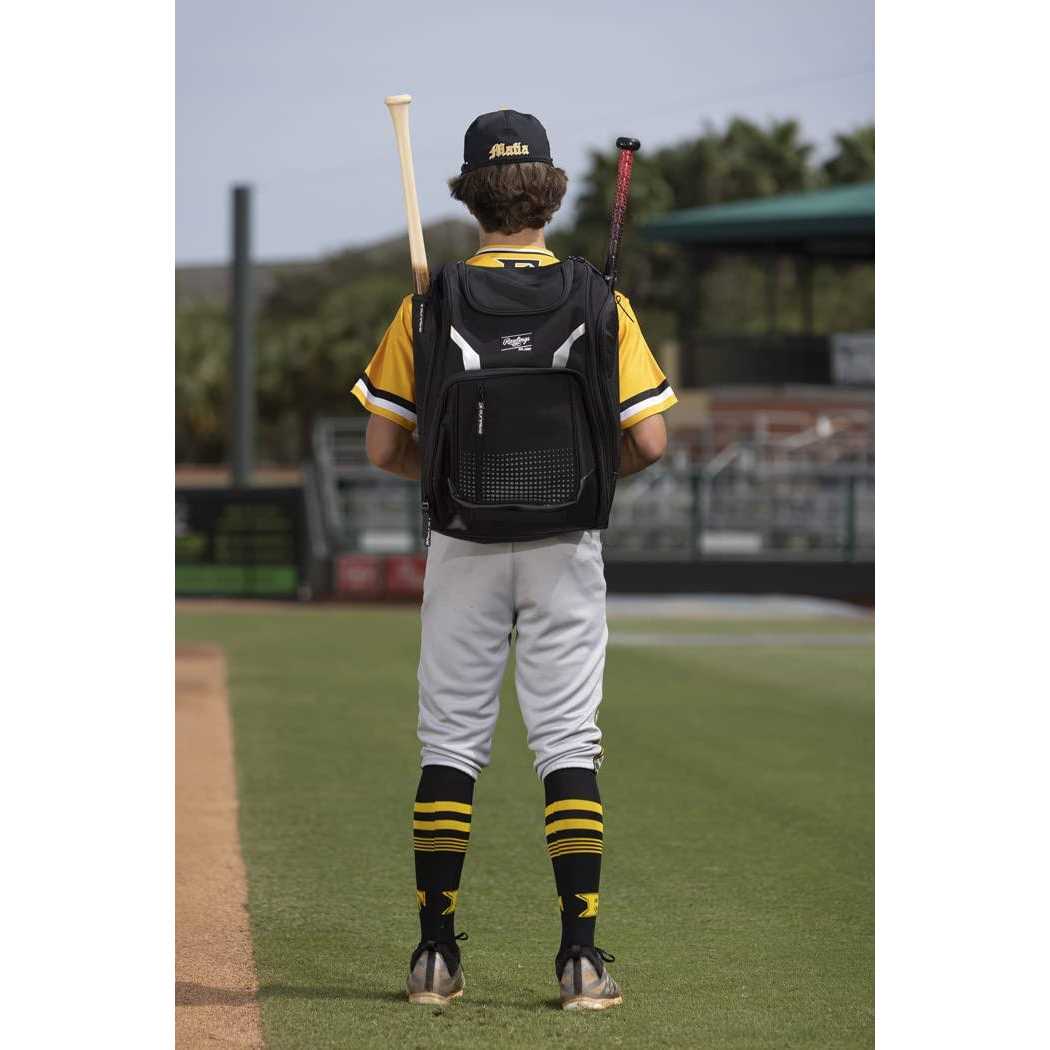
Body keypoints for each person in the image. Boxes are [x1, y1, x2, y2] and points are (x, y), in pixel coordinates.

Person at [351, 109, 677, 1011]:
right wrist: (577, 473)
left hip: (461, 542)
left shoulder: (429, 302)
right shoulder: (600, 300)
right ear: (550, 196)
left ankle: (433, 958)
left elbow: (382, 448)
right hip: (566, 545)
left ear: (470, 198)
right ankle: (581, 961)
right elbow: (650, 441)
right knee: (567, 742)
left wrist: (454, 476)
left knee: (450, 743)